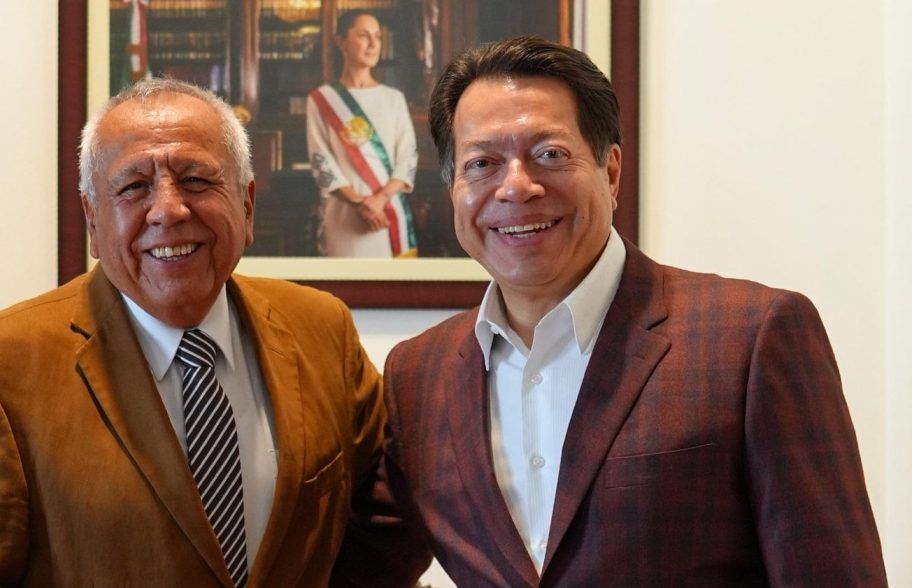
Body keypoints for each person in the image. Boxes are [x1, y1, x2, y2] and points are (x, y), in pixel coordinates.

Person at [332, 36, 888, 586]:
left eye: (550, 154)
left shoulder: (752, 337)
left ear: (612, 171)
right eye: (482, 163)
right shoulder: (418, 373)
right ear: (453, 188)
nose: (516, 187)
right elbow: (362, 568)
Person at [0, 78, 386, 587]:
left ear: (246, 205)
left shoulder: (322, 328)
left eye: (196, 179)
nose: (169, 209)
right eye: (134, 187)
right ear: (92, 219)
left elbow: (380, 526)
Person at [306, 10, 419, 258]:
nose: (373, 44)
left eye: (377, 36)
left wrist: (380, 200)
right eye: (363, 35)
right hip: (345, 215)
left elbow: (408, 157)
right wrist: (359, 202)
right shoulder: (322, 99)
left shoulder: (394, 99)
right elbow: (321, 159)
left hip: (387, 212)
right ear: (341, 42)